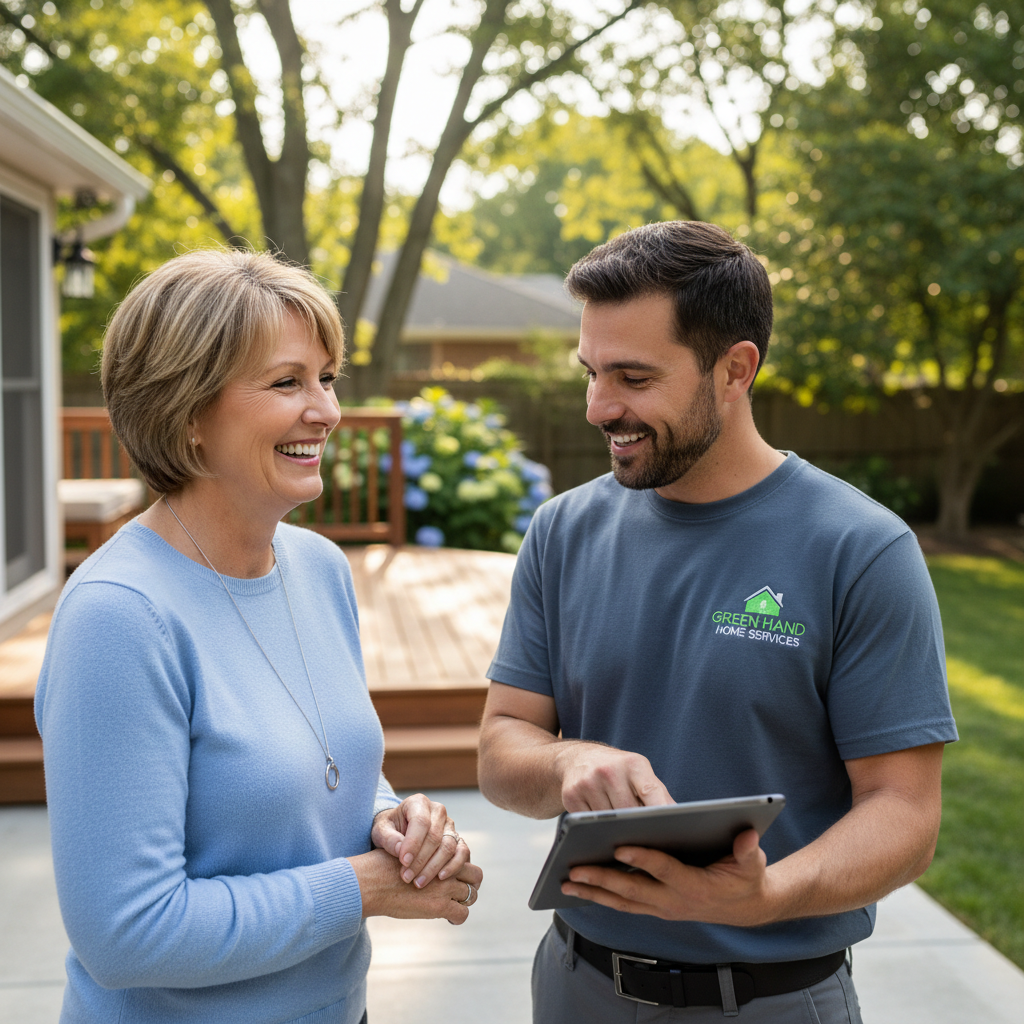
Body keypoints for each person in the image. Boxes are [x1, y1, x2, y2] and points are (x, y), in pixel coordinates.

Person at [477, 221, 957, 1022]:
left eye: (632, 376)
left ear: (735, 370)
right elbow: (500, 749)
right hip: (575, 985)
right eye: (591, 372)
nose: (600, 407)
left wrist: (768, 895)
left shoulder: (861, 550)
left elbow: (905, 812)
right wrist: (570, 765)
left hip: (773, 999)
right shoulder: (561, 532)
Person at [35, 248, 483, 1024]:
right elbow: (127, 935)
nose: (327, 410)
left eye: (326, 378)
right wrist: (365, 886)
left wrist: (387, 821)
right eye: (287, 382)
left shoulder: (317, 568)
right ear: (187, 415)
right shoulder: (119, 616)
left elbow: (313, 762)